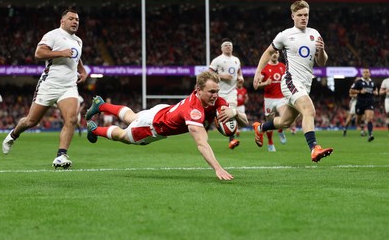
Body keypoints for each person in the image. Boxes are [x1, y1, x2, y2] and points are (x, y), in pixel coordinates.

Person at [85, 71, 249, 181]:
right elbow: (201, 142)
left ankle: (101, 105)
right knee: (123, 136)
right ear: (198, 90)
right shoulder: (193, 110)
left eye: (217, 91)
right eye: (211, 92)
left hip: (163, 110)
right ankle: (94, 129)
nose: (215, 95)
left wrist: (235, 112)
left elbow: (244, 122)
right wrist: (217, 168)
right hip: (153, 126)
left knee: (132, 116)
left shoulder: (217, 100)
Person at [2, 8, 88, 169]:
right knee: (31, 121)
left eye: (77, 19)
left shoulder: (78, 40)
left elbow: (77, 56)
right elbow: (39, 53)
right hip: (49, 85)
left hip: (68, 86)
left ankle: (61, 155)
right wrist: (61, 52)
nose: (75, 21)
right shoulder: (52, 35)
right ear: (62, 21)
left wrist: (82, 70)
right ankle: (13, 134)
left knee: (72, 119)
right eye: (71, 19)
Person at [252, 0, 333, 163]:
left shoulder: (315, 34)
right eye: (300, 15)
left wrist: (322, 50)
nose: (303, 18)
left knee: (285, 122)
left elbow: (322, 62)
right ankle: (314, 148)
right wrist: (258, 72)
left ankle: (259, 128)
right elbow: (268, 52)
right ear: (293, 16)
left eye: (306, 15)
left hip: (305, 84)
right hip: (290, 80)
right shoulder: (285, 35)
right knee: (309, 110)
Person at [209, 38, 244, 149]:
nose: (228, 47)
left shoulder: (236, 60)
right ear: (222, 48)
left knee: (231, 113)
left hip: (232, 92)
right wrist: (222, 76)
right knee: (211, 114)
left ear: (232, 47)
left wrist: (240, 78)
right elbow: (209, 74)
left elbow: (239, 71)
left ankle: (232, 140)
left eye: (229, 45)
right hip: (219, 92)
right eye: (226, 45)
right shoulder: (217, 60)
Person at [254, 51, 287, 152]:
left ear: (278, 54)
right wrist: (265, 83)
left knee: (285, 117)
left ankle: (281, 130)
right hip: (269, 99)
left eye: (276, 52)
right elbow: (256, 86)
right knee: (269, 122)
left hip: (281, 98)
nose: (274, 54)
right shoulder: (264, 68)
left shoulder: (283, 66)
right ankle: (270, 143)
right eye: (273, 53)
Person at [350, 68, 378, 142]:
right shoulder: (358, 82)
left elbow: (375, 89)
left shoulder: (372, 82)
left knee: (369, 118)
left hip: (369, 103)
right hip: (360, 103)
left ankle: (370, 134)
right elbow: (351, 91)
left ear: (369, 74)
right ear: (362, 74)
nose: (365, 73)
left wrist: (376, 92)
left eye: (367, 72)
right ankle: (361, 126)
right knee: (358, 121)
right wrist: (359, 91)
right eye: (364, 72)